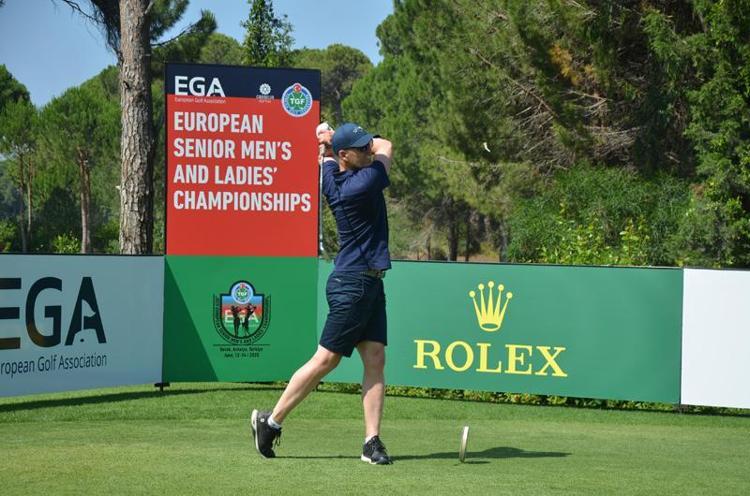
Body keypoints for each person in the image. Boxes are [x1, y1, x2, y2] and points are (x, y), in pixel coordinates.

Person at [251, 122, 394, 465]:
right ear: (345, 155)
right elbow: (386, 145)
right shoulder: (363, 183)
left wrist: (326, 144)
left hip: (369, 282)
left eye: (366, 145)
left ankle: (371, 442)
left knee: (375, 358)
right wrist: (330, 139)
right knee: (326, 359)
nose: (368, 150)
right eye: (360, 148)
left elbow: (327, 161)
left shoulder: (331, 174)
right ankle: (270, 422)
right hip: (353, 284)